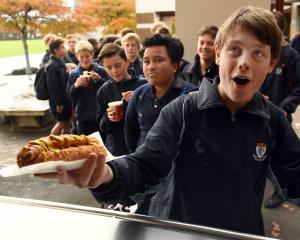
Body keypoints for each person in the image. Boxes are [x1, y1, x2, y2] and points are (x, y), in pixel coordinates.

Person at [38, 6, 300, 236]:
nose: (244, 62)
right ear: (218, 54)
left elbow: (295, 176)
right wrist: (105, 175)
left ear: (271, 63)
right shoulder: (184, 110)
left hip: (241, 233)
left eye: (258, 53)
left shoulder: (272, 119)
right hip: (178, 231)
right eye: (235, 49)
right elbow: (144, 166)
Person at [125, 34, 195, 154]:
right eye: (146, 61)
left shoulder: (191, 95)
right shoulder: (139, 95)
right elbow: (130, 133)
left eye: (158, 60)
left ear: (174, 66)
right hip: (144, 168)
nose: (151, 67)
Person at [261, 11, 300, 209]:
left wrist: (285, 108)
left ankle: (280, 191)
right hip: (258, 112)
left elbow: (298, 86)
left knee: (282, 155)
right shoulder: (259, 51)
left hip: (280, 115)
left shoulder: (290, 55)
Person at [96, 43, 146, 156]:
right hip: (116, 149)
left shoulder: (143, 86)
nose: (114, 71)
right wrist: (109, 118)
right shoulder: (104, 90)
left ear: (127, 62)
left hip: (141, 146)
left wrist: (139, 99)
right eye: (108, 67)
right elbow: (101, 126)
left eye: (118, 65)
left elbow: (154, 118)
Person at [67, 41, 108, 135]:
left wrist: (99, 80)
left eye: (87, 56)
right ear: (77, 56)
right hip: (82, 116)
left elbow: (108, 92)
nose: (85, 59)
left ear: (92, 55)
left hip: (99, 114)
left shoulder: (101, 71)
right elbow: (70, 97)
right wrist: (75, 86)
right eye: (81, 57)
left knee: (102, 143)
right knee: (85, 144)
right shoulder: (74, 74)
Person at [45, 38, 72, 135]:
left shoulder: (60, 63)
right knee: (61, 122)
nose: (65, 49)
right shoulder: (52, 66)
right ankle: (51, 141)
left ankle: (66, 142)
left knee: (67, 122)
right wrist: (58, 103)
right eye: (62, 47)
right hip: (59, 101)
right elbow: (53, 87)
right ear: (56, 50)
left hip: (65, 99)